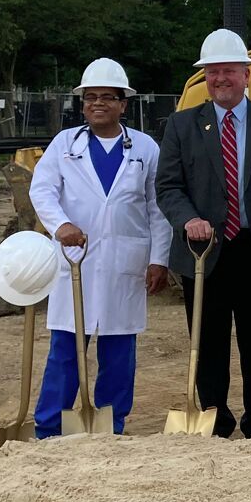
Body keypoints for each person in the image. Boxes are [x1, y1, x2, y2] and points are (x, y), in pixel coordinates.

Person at [156, 28, 251, 438]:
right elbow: (168, 186)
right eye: (212, 72)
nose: (220, 79)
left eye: (229, 71)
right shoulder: (182, 127)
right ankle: (215, 422)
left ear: (247, 75)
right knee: (208, 345)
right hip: (204, 252)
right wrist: (187, 220)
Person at [27, 58, 172, 436]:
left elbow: (157, 207)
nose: (97, 104)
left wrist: (159, 259)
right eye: (90, 97)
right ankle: (49, 428)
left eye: (107, 97)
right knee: (65, 350)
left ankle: (112, 424)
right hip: (75, 262)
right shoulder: (65, 144)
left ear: (124, 103)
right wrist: (60, 225)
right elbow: (41, 190)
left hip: (125, 263)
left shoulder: (144, 148)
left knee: (119, 352)